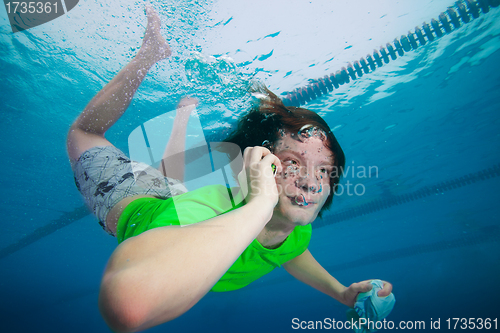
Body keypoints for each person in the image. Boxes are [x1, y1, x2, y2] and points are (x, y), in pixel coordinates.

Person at [67, 5, 393, 333]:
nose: (310, 183)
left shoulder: (295, 225)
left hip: (178, 199)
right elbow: (127, 309)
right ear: (258, 166)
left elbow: (290, 251)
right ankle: (148, 55)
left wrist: (341, 293)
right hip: (127, 196)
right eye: (293, 164)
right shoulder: (201, 212)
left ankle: (182, 116)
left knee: (171, 176)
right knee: (84, 134)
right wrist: (260, 206)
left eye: (324, 170)